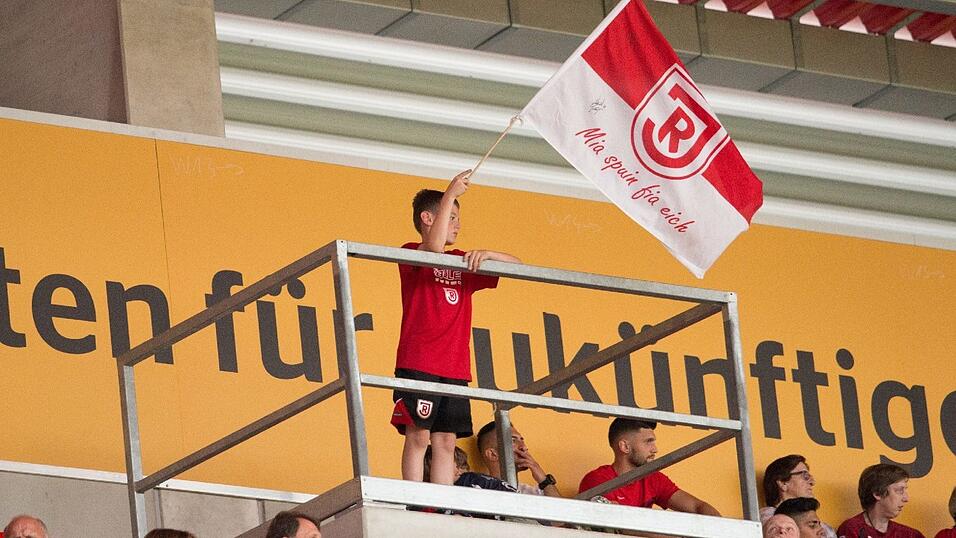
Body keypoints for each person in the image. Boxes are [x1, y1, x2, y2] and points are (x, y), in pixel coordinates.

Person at [391, 170, 520, 486]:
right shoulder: (411, 251)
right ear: (427, 218)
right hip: (419, 361)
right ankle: (415, 501)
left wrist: (488, 254)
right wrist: (450, 193)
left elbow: (519, 267)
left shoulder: (462, 261)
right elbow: (434, 248)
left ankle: (442, 504)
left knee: (446, 441)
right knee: (419, 436)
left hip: (455, 367)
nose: (457, 226)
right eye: (451, 217)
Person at [579, 418, 720, 515]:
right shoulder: (598, 480)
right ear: (625, 446)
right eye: (648, 442)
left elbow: (697, 507)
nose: (655, 449)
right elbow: (621, 526)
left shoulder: (653, 478)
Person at [475, 420, 561, 497]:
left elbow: (559, 508)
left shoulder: (530, 493)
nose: (524, 447)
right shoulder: (478, 491)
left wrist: (544, 480)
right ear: (492, 454)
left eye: (522, 440)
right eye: (513, 441)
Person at [837, 463, 925, 538]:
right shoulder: (852, 528)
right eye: (899, 490)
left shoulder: (911, 535)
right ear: (877, 493)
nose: (906, 498)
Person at [761, 455, 837, 537]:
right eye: (805, 476)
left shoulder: (825, 528)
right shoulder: (767, 519)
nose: (812, 482)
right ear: (783, 483)